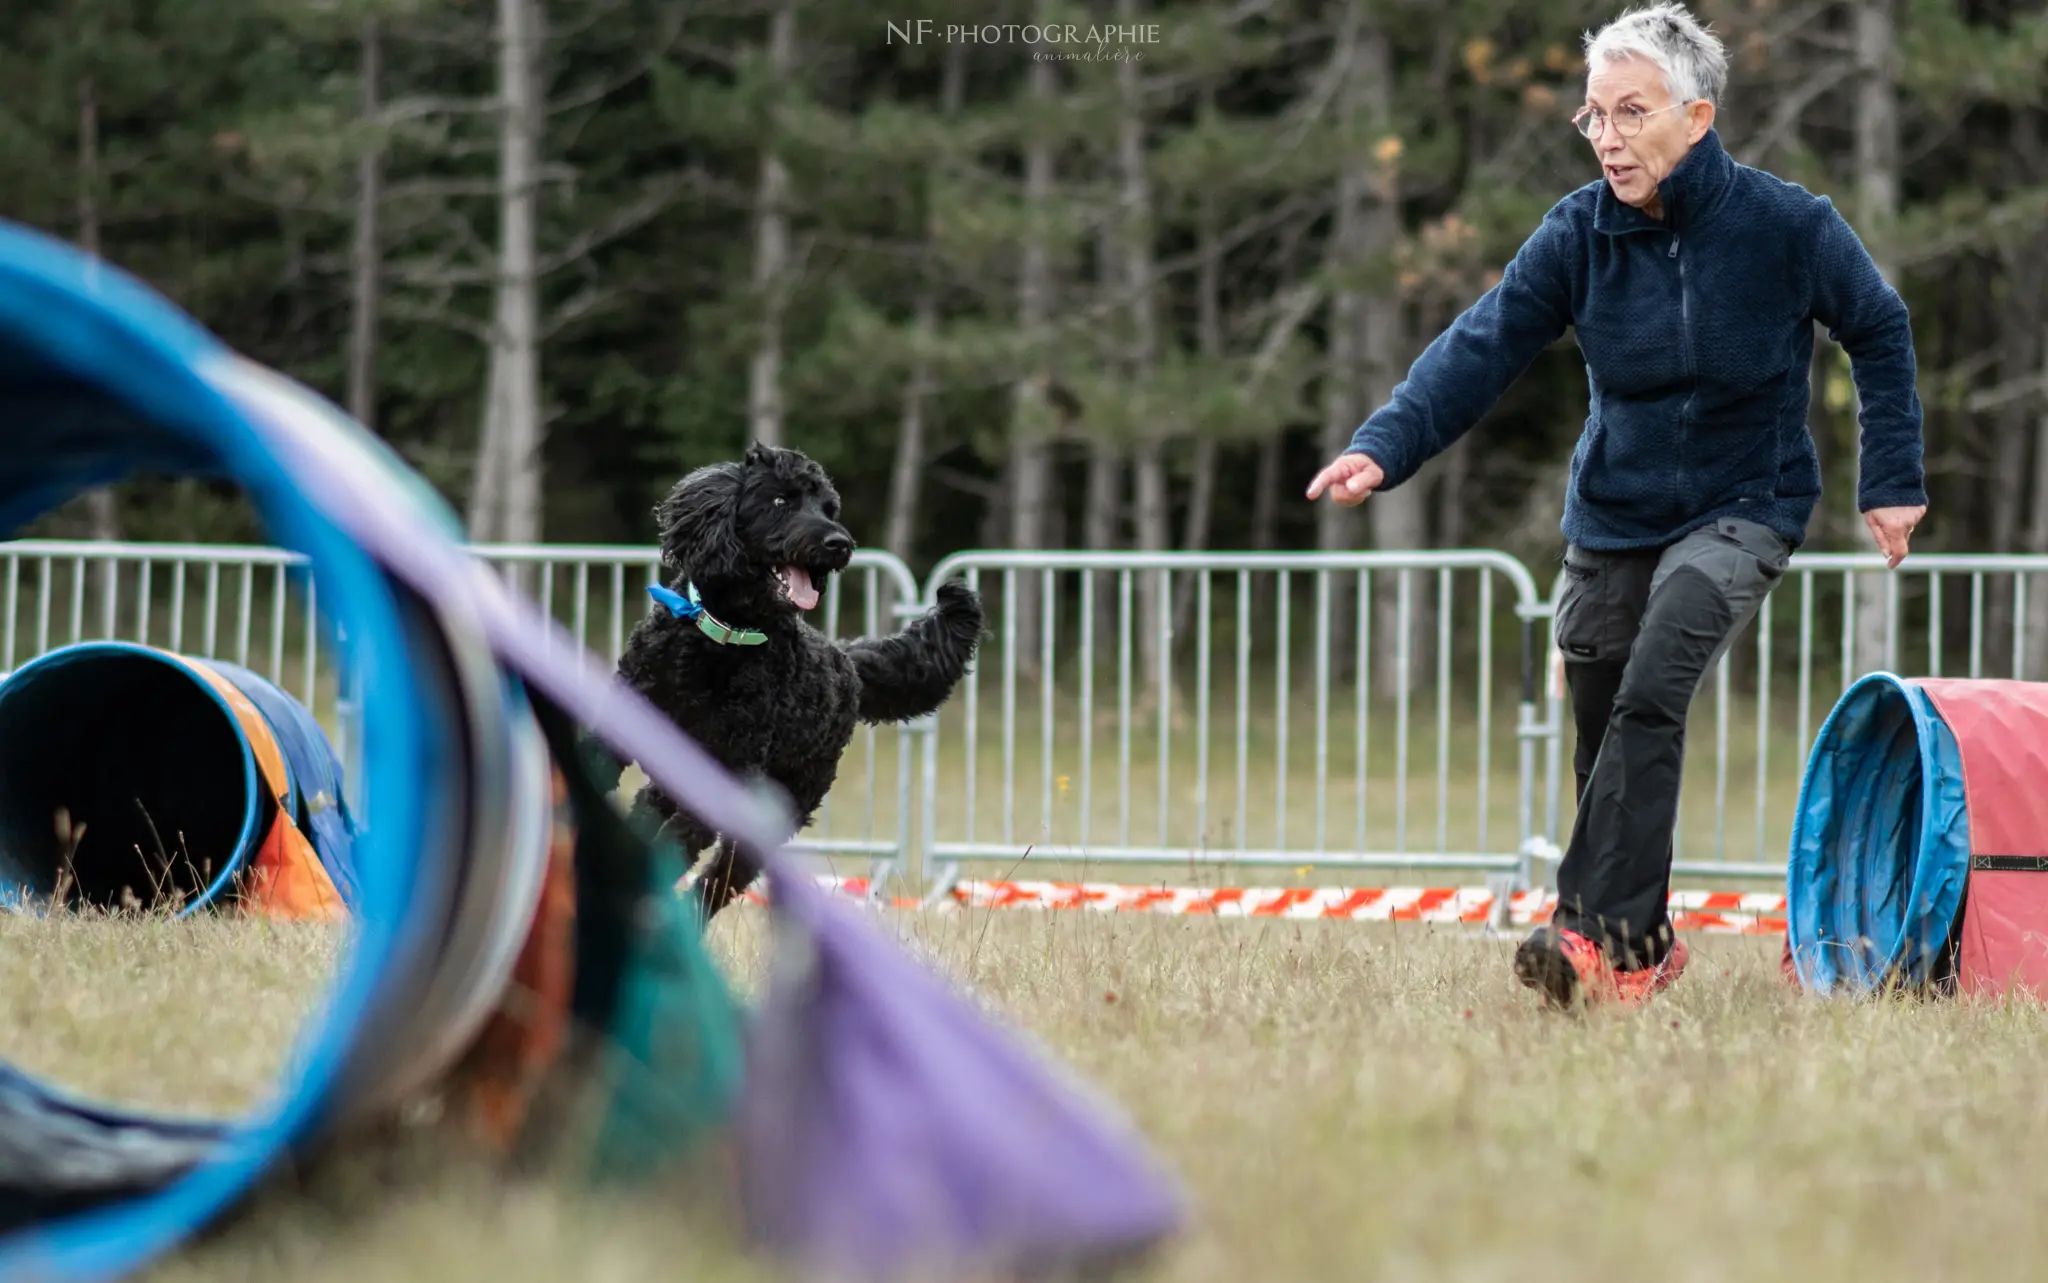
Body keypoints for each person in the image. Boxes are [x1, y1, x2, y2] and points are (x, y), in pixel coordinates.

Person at [1305, 0, 1927, 1008]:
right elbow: (1482, 344)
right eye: (1592, 116)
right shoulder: (1576, 234)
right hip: (1613, 511)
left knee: (1650, 687)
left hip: (1745, 498)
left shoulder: (1787, 227)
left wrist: (1890, 476)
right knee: (1604, 726)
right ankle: (1636, 950)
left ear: (1697, 116)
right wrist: (1384, 444)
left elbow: (1879, 327)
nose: (1607, 137)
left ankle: (1582, 933)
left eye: (1630, 113)